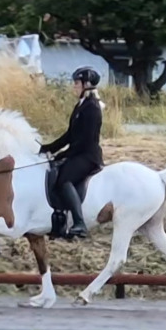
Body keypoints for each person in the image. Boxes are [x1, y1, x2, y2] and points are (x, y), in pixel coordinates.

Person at [39, 66, 104, 239]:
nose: (74, 87)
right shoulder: (80, 106)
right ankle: (59, 223)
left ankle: (79, 223)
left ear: (86, 85)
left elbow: (85, 140)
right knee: (55, 172)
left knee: (64, 178)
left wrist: (63, 155)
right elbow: (70, 135)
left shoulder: (92, 108)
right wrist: (49, 148)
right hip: (78, 153)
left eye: (76, 83)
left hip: (88, 156)